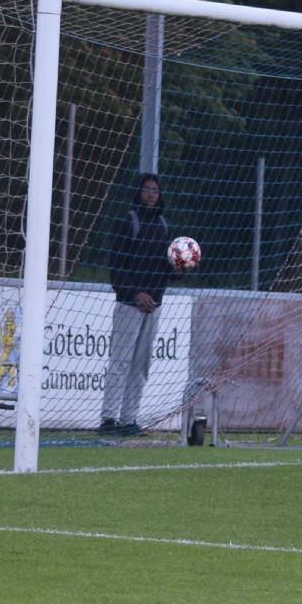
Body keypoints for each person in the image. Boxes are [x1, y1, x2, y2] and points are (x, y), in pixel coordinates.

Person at [102, 173, 188, 435]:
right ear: (138, 193)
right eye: (146, 189)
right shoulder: (128, 222)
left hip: (154, 308)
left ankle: (128, 421)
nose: (151, 194)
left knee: (141, 366)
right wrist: (135, 295)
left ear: (160, 195)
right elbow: (116, 268)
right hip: (130, 306)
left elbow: (165, 269)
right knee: (120, 362)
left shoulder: (163, 225)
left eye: (155, 190)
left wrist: (179, 269)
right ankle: (108, 420)